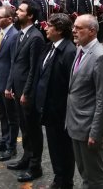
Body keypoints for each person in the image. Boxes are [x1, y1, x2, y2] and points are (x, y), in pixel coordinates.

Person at [67, 14, 103, 189]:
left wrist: (95, 132)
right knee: (85, 172)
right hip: (76, 124)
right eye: (74, 27)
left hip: (88, 128)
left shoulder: (100, 56)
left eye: (79, 28)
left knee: (95, 176)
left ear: (92, 31)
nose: (74, 31)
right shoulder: (81, 49)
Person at [33, 13, 76, 189]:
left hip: (60, 111)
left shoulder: (69, 51)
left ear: (58, 30)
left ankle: (65, 181)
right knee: (54, 147)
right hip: (48, 109)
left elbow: (71, 85)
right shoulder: (49, 47)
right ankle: (58, 178)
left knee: (64, 148)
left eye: (49, 25)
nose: (45, 27)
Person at [5, 1, 46, 182]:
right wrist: (9, 85)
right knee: (24, 127)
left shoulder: (36, 37)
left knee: (33, 129)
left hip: (27, 93)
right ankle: (26, 158)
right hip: (17, 88)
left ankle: (35, 166)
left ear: (30, 16)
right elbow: (15, 64)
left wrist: (26, 93)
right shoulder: (20, 34)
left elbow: (33, 69)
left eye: (21, 10)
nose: (17, 12)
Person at [0, 5, 20, 162]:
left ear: (10, 19)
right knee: (1, 114)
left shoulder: (15, 36)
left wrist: (9, 86)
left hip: (8, 83)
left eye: (0, 17)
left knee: (11, 116)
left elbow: (14, 63)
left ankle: (11, 146)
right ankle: (4, 139)